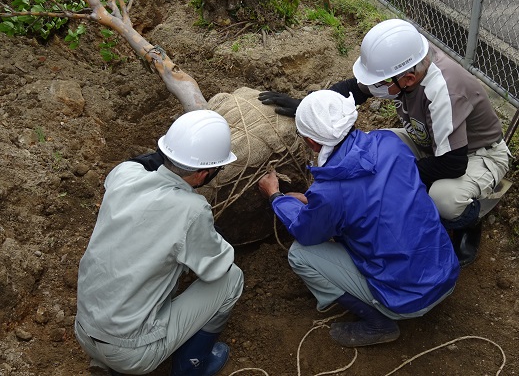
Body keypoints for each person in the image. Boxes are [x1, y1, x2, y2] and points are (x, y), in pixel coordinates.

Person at [258, 19, 511, 267]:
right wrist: (308, 111)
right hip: (429, 143)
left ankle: (470, 221)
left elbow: (452, 164)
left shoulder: (443, 91)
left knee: (443, 198)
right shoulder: (401, 68)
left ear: (409, 80)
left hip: (475, 154)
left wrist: (390, 178)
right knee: (375, 146)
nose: (372, 86)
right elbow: (353, 90)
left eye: (379, 83)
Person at [258, 90, 459, 347]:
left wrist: (276, 197)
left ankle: (379, 323)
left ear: (311, 143)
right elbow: (373, 195)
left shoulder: (330, 193)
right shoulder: (390, 143)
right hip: (445, 274)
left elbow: (306, 231)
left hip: (408, 300)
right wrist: (314, 200)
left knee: (300, 254)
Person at [74, 110, 244, 376]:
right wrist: (210, 235)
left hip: (84, 331)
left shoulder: (123, 175)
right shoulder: (192, 210)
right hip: (130, 353)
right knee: (233, 278)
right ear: (203, 175)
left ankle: (105, 362)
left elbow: (139, 163)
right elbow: (216, 267)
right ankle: (193, 365)